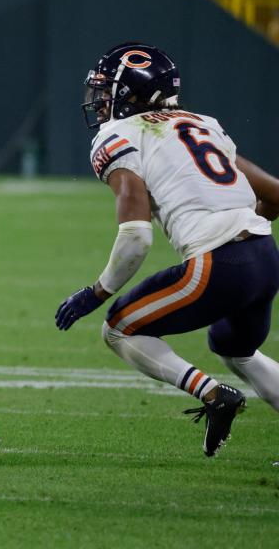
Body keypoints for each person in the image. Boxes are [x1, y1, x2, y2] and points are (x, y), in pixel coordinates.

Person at [55, 42, 279, 457]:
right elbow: (276, 195)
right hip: (265, 257)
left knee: (120, 327)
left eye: (106, 90)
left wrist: (95, 292)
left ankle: (213, 395)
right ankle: (220, 390)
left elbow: (137, 235)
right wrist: (245, 229)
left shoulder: (120, 135)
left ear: (129, 93)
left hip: (219, 262)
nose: (99, 100)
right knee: (236, 349)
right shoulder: (200, 123)